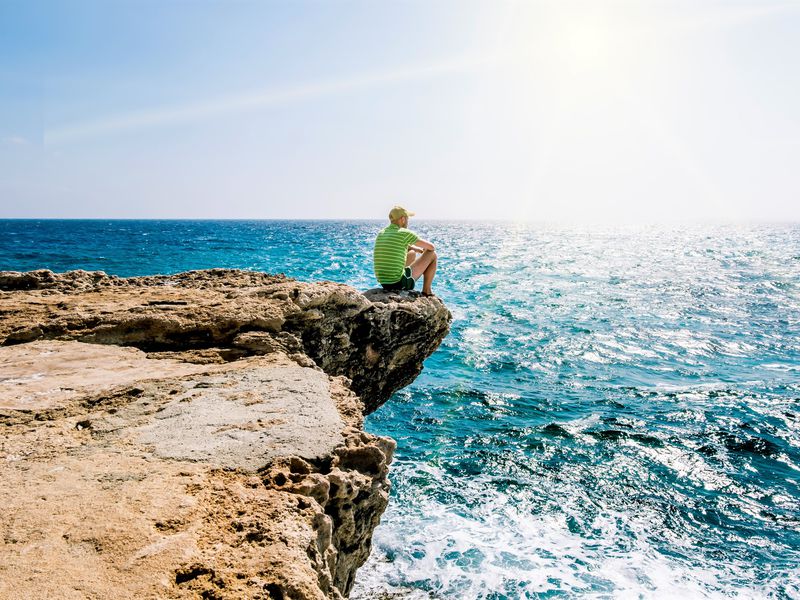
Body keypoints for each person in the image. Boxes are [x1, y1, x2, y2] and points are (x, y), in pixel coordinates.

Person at [373, 205, 438, 296]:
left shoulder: (382, 233)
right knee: (432, 254)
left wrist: (415, 249)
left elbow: (396, 245)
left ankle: (402, 275)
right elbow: (431, 247)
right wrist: (425, 252)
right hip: (397, 284)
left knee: (411, 253)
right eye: (407, 218)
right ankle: (426, 291)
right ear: (403, 219)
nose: (408, 221)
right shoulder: (404, 233)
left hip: (384, 283)